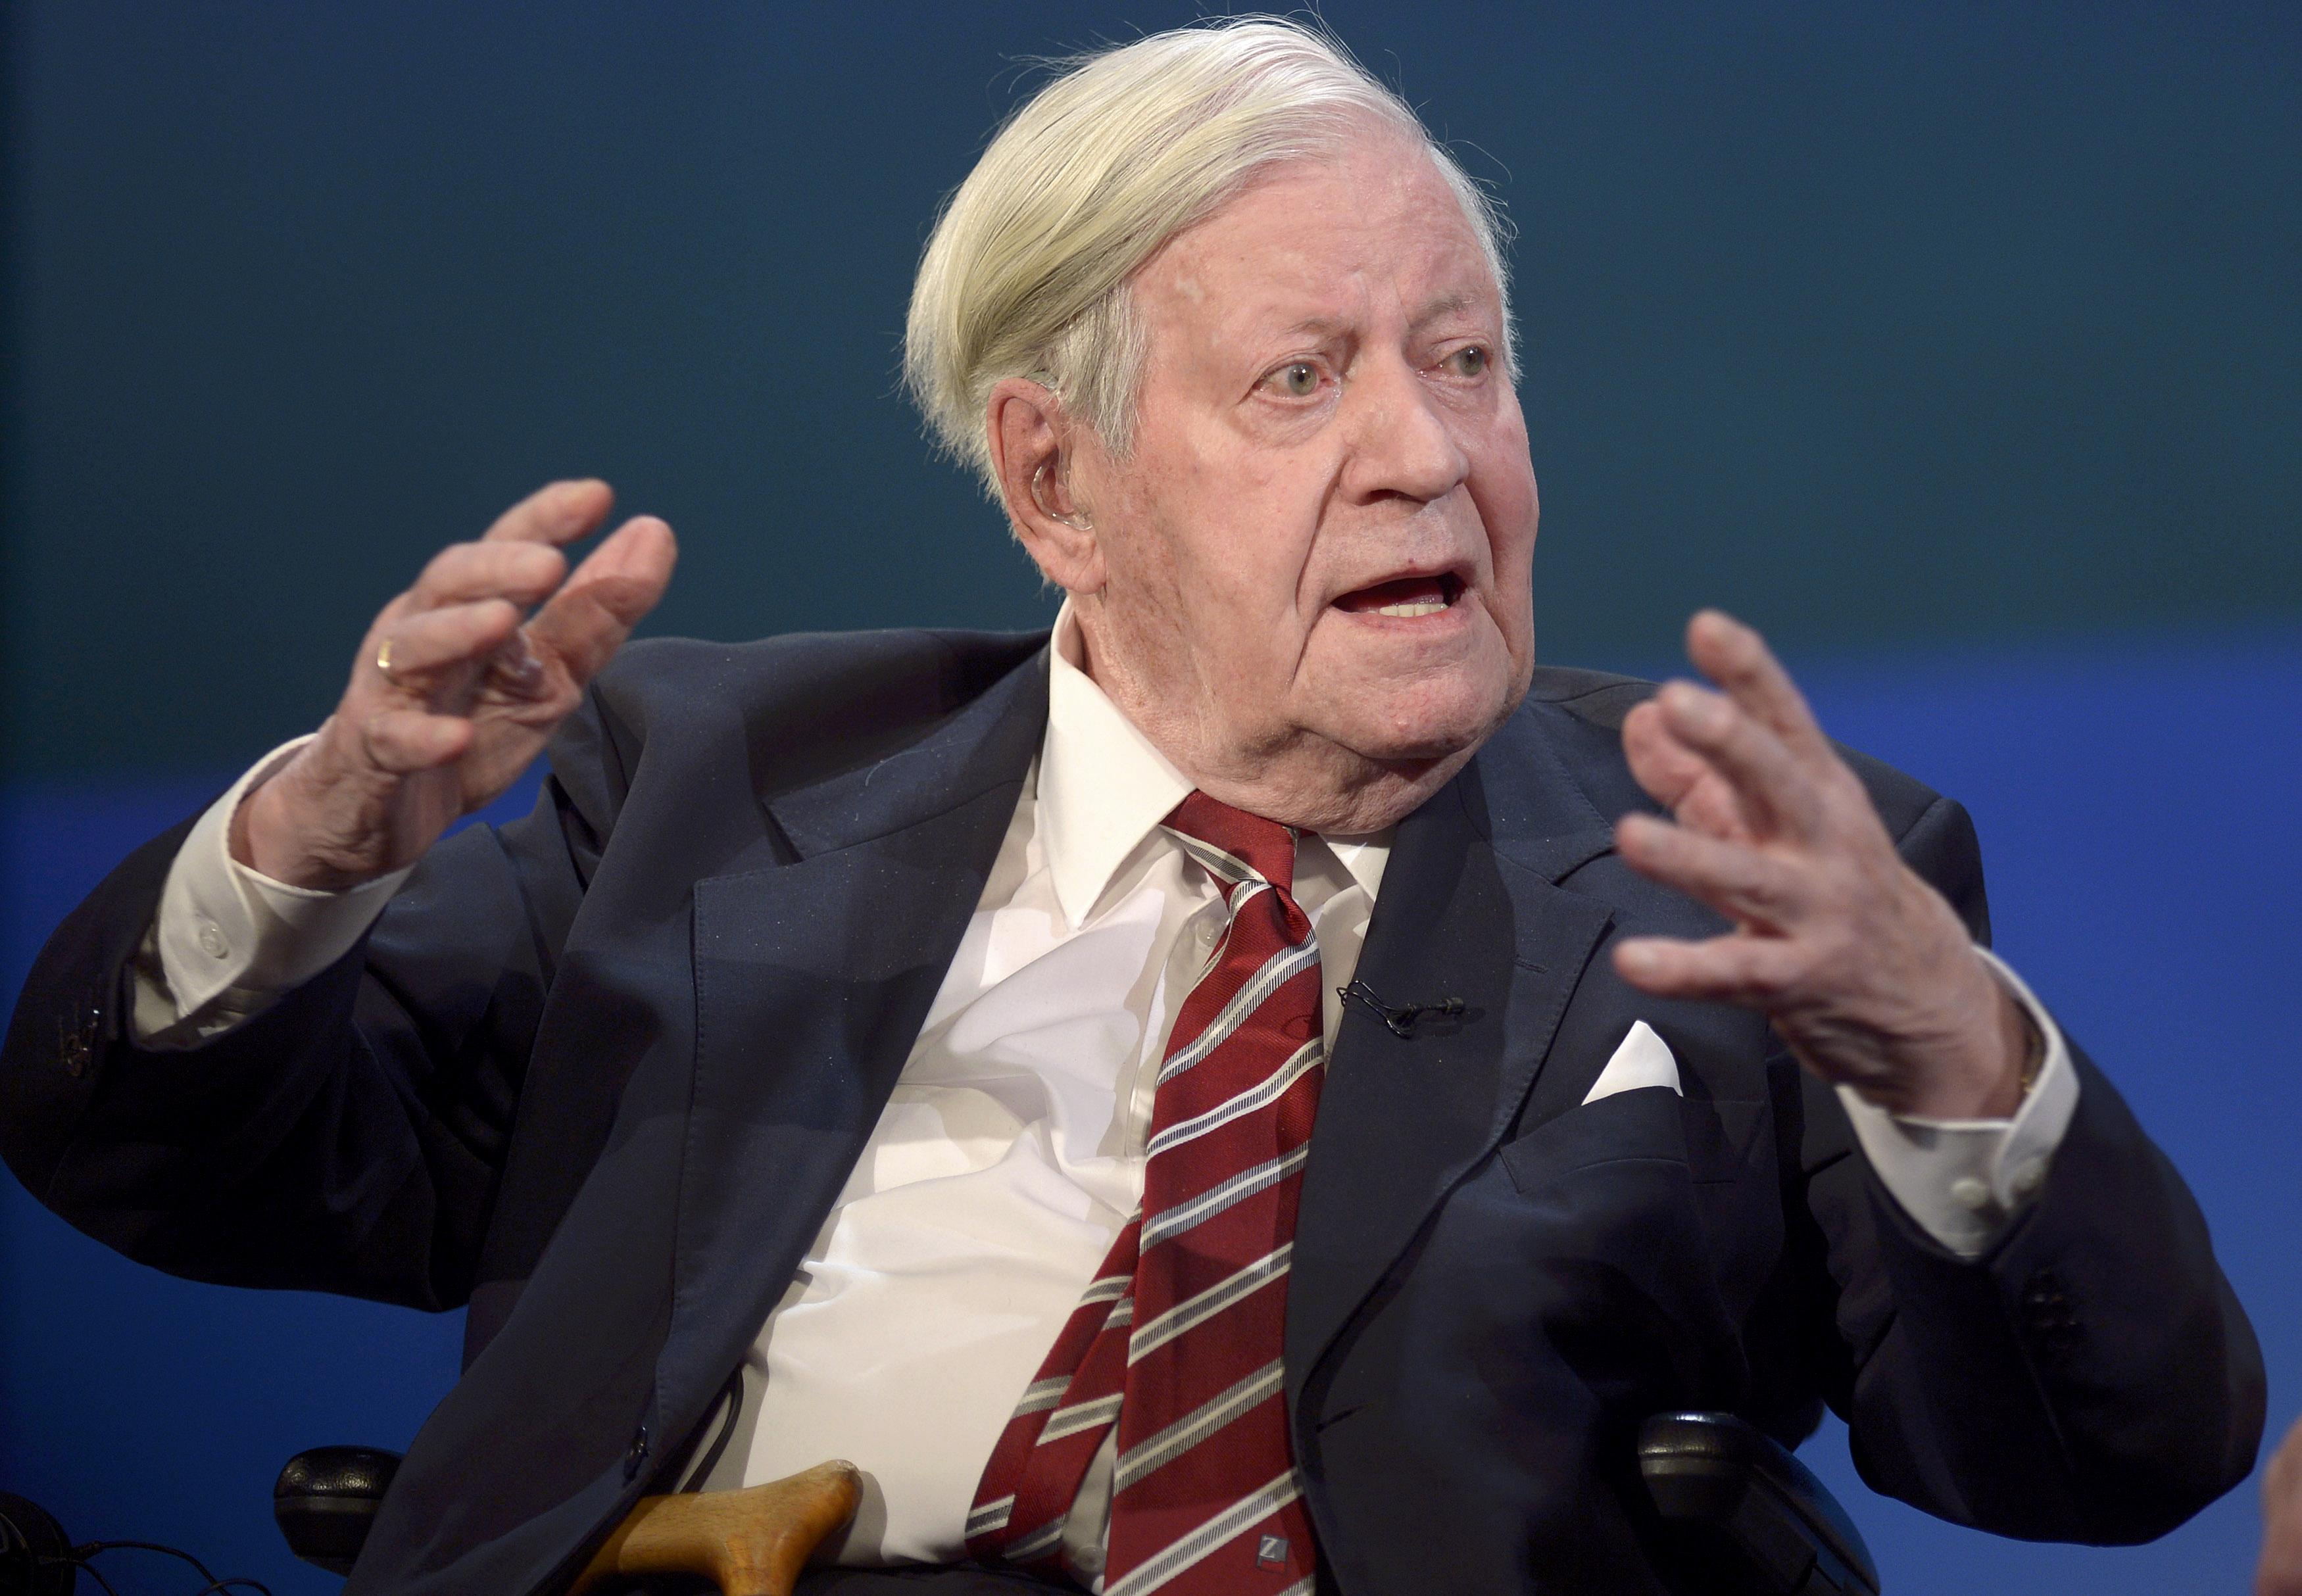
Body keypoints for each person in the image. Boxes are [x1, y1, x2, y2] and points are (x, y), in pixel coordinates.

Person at [0, 19, 2263, 1596]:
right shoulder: (714, 793)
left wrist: (1946, 1052)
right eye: (1302, 377)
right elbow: (157, 1151)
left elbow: (2112, 1459)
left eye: (1464, 358)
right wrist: (315, 839)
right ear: (1053, 481)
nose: (1423, 452)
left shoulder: (1740, 872)